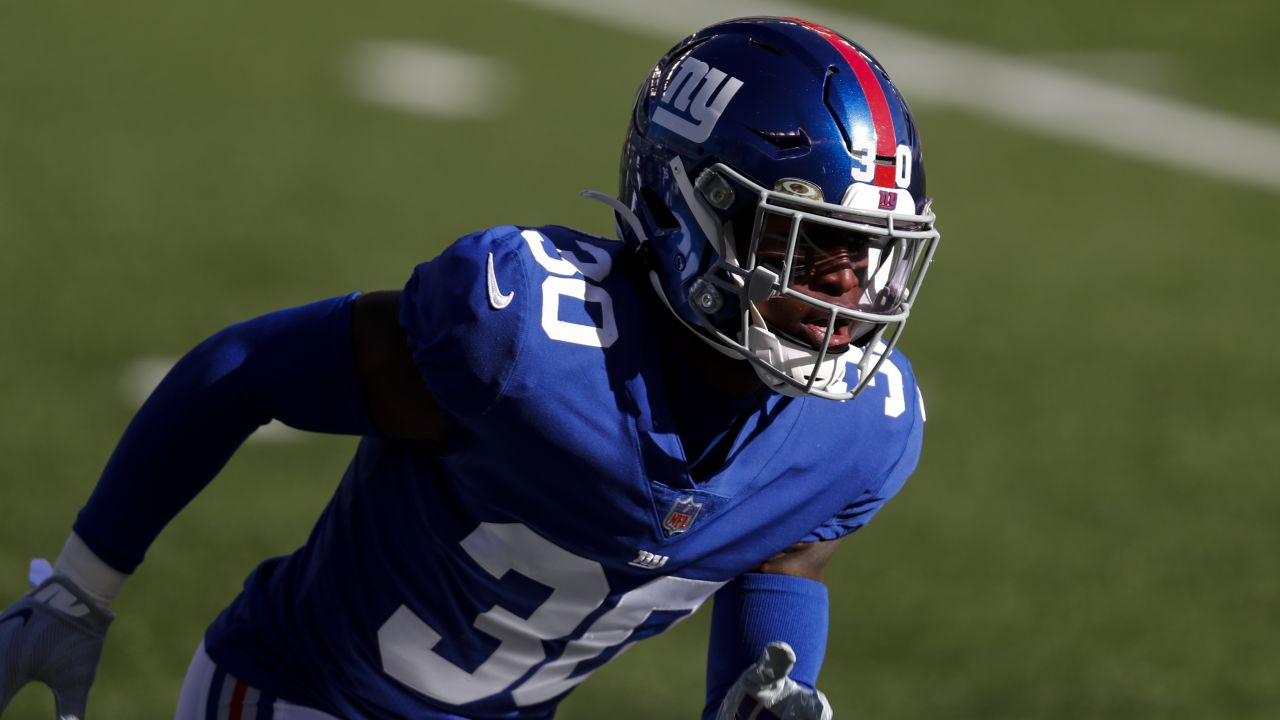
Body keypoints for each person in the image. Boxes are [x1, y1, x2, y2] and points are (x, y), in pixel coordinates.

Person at [0, 16, 939, 720]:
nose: (843, 296)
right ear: (690, 211)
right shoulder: (528, 346)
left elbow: (788, 549)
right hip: (307, 696)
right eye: (803, 247)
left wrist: (765, 686)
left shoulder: (860, 430)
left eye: (867, 256)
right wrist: (79, 591)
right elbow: (243, 368)